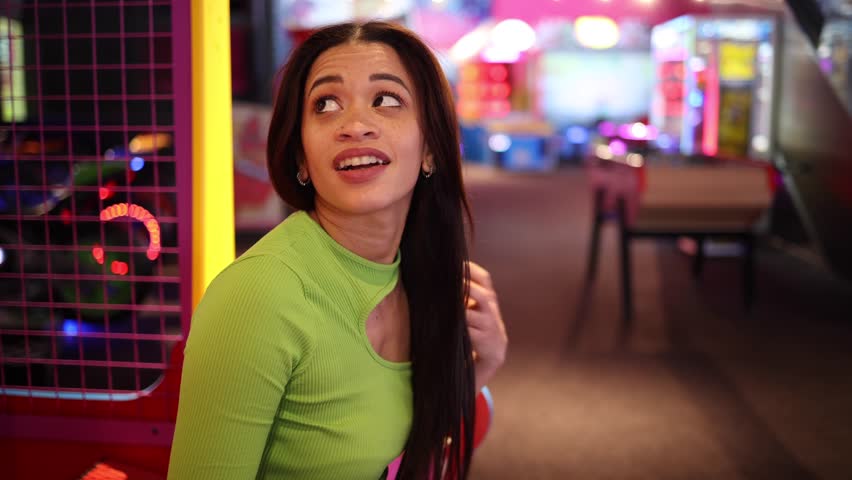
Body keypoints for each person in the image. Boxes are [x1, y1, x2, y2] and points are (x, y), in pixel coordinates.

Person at [168, 21, 507, 480]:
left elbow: (400, 455)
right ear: (301, 158)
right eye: (326, 105)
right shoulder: (258, 296)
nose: (355, 125)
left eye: (386, 100)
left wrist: (473, 373)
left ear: (430, 148)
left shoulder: (416, 276)